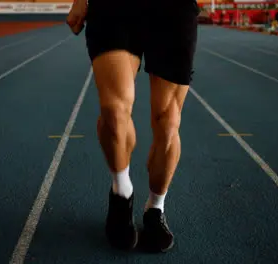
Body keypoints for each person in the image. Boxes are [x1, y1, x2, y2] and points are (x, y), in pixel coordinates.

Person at [67, 0, 199, 253]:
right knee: (114, 111)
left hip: (173, 9)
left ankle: (155, 208)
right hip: (115, 7)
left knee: (168, 122)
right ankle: (121, 192)